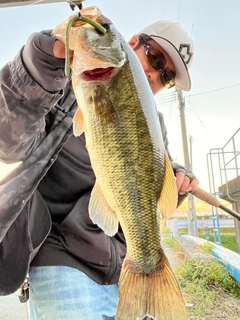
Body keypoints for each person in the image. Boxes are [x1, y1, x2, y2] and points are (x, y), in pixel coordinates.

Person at [0, 9, 198, 320]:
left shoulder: (154, 123)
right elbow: (7, 142)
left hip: (125, 267)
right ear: (133, 43)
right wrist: (43, 61)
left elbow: (155, 187)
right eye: (156, 60)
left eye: (167, 77)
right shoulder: (60, 83)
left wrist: (179, 180)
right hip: (64, 260)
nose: (155, 76)